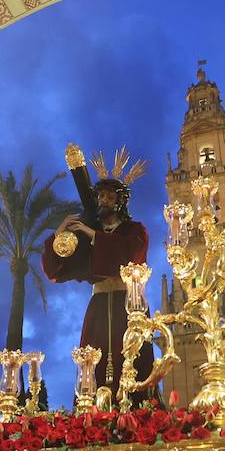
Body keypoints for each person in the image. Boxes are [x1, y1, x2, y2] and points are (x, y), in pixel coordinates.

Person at [42, 172, 152, 401]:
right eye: (100, 196)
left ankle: (140, 417)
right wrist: (61, 233)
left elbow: (129, 255)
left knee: (134, 361)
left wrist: (94, 235)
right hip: (99, 307)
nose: (103, 201)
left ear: (120, 203)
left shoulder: (135, 230)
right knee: (93, 363)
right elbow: (57, 269)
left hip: (131, 308)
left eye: (110, 197)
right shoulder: (85, 235)